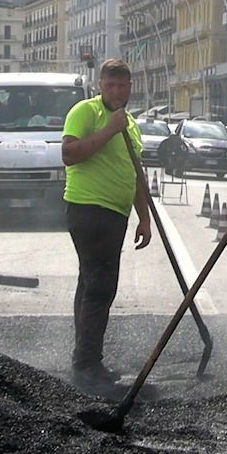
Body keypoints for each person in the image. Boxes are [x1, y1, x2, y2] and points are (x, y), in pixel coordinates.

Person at [60, 58, 152, 398]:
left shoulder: (131, 125)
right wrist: (110, 129)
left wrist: (144, 217)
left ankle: (85, 358)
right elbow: (69, 154)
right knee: (100, 285)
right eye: (110, 85)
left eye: (122, 86)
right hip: (88, 207)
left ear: (129, 88)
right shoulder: (85, 112)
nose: (116, 91)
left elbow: (135, 173)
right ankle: (86, 364)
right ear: (100, 85)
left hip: (116, 213)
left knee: (90, 283)